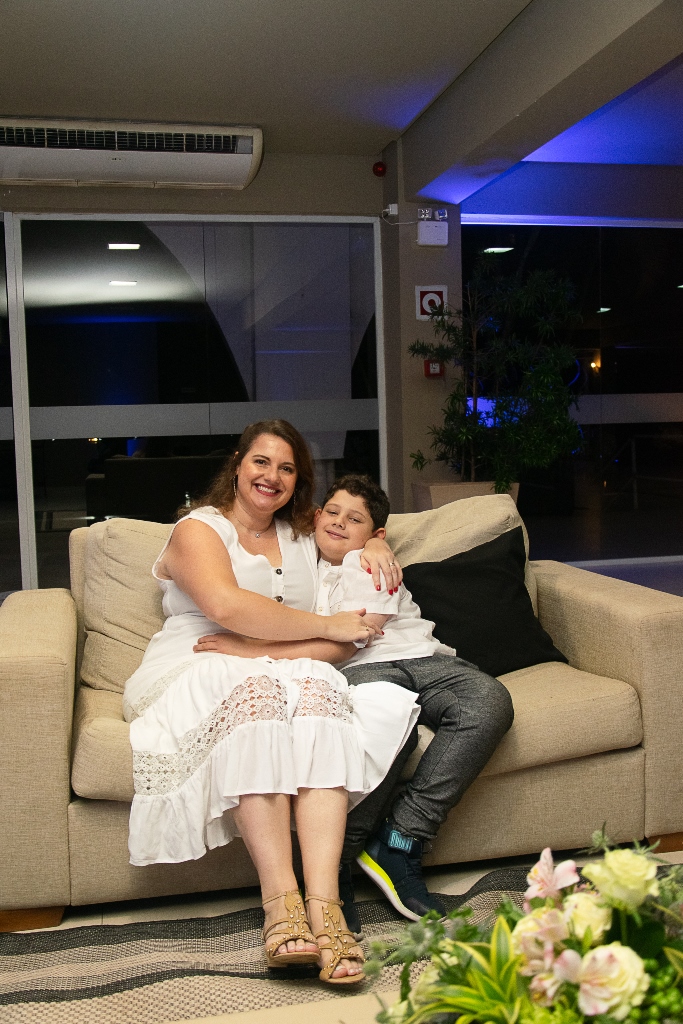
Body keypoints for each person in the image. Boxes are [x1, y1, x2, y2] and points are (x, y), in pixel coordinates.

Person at [123, 422, 418, 986]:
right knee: (257, 695)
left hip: (291, 661)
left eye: (287, 468)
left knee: (320, 696)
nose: (272, 477)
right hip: (201, 658)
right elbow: (226, 608)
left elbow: (349, 610)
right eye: (261, 462)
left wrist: (378, 543)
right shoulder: (198, 529)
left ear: (298, 480)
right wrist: (323, 626)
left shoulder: (302, 534)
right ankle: (281, 904)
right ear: (238, 464)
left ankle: (326, 908)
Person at [312, 474, 515, 932]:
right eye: (333, 512)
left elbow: (369, 624)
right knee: (390, 726)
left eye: (355, 519)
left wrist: (372, 548)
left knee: (489, 700)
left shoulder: (373, 559)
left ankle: (401, 838)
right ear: (317, 516)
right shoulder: (298, 560)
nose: (340, 522)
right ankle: (337, 858)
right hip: (362, 668)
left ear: (378, 533)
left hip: (425, 657)